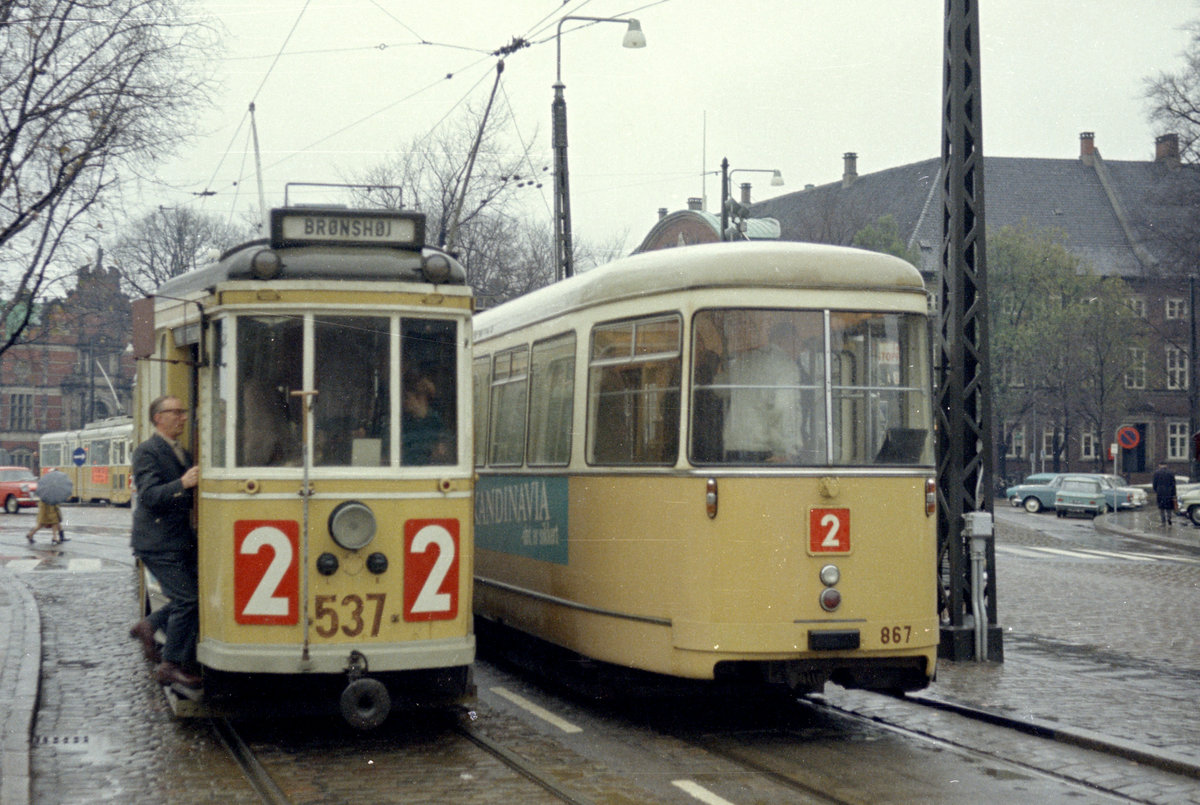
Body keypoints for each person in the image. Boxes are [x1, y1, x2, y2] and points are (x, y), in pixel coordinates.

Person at [128, 395, 202, 694]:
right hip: (157, 542)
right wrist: (182, 484)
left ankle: (150, 624)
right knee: (187, 600)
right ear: (158, 417)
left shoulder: (179, 451)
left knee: (187, 597)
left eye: (183, 412)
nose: (183, 417)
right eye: (176, 412)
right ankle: (170, 666)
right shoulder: (147, 451)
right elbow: (149, 496)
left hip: (176, 540)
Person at [401, 371, 451, 465]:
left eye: (407, 397)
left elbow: (442, 453)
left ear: (420, 398)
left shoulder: (436, 422)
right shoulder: (405, 422)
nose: (404, 402)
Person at [1151, 462, 1177, 526]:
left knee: (1161, 508)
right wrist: (1174, 493)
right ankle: (1169, 518)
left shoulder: (1156, 473)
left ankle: (1163, 522)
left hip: (1160, 492)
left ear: (1159, 465)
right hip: (1169, 492)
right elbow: (1173, 484)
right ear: (1166, 465)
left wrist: (1156, 490)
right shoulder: (1171, 473)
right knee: (1169, 507)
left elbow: (1154, 484)